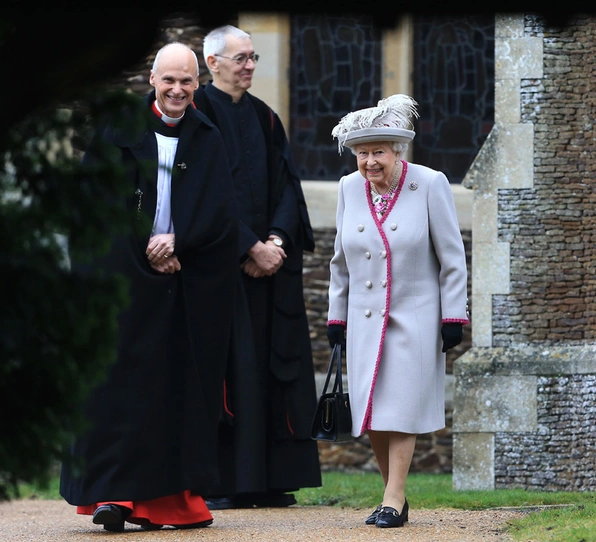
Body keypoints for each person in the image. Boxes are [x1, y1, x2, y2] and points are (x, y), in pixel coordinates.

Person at [59, 42, 241, 531]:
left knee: (175, 392)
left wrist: (180, 243)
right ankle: (113, 497)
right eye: (169, 80)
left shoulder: (209, 137)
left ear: (197, 84)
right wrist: (144, 250)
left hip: (185, 283)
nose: (177, 89)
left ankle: (168, 502)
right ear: (152, 80)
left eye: (187, 81)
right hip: (123, 279)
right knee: (118, 390)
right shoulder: (116, 132)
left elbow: (223, 215)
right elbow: (94, 210)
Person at [192, 25, 321, 509]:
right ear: (213, 63)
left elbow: (289, 185)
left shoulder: (266, 119)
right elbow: (203, 193)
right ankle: (223, 483)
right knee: (230, 371)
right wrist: (248, 246)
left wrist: (277, 241)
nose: (249, 65)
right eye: (240, 58)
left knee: (272, 369)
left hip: (269, 274)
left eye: (253, 57)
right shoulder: (197, 114)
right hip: (221, 273)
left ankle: (269, 480)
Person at [326, 95, 469, 528]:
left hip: (416, 316)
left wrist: (453, 316)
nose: (369, 162)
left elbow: (452, 256)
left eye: (378, 152)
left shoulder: (429, 183)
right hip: (365, 319)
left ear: (397, 151)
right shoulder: (349, 188)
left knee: (401, 405)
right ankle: (395, 499)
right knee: (372, 410)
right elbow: (339, 260)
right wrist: (337, 316)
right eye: (362, 154)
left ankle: (393, 497)